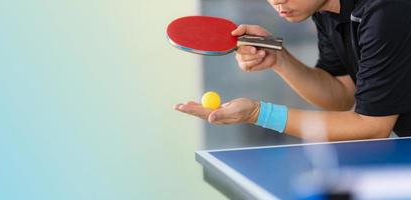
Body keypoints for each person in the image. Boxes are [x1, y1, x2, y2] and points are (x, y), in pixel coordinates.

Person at [174, 0, 411, 141]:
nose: (277, 1)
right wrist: (279, 59)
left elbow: (373, 127)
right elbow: (340, 95)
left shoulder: (386, 10)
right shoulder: (325, 10)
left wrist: (258, 113)